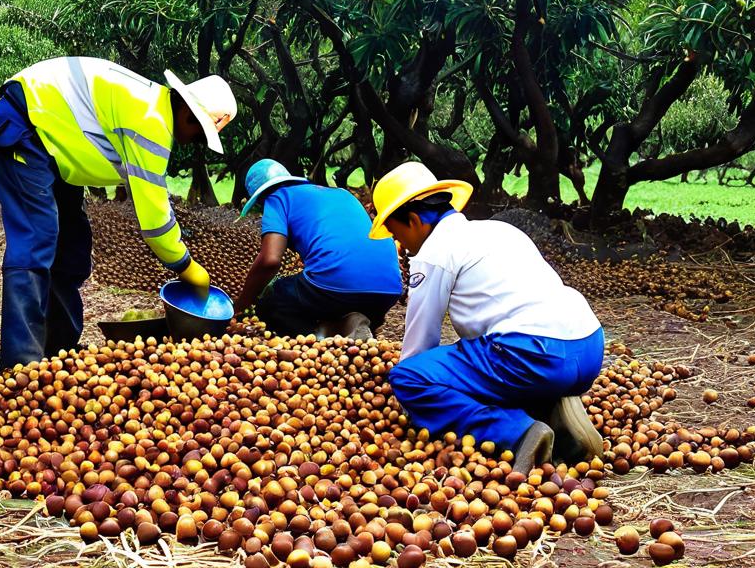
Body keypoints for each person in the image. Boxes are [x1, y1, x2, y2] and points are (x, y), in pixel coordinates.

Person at [0, 57, 237, 367]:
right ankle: (22, 365)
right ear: (189, 114)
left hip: (52, 144)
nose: (192, 142)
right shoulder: (151, 123)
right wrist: (187, 267)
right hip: (23, 126)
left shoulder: (150, 105)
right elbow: (155, 221)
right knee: (38, 237)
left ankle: (57, 352)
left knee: (72, 245)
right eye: (198, 134)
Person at [369, 161, 604, 473]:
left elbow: (418, 346)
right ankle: (555, 419)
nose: (401, 244)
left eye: (397, 233)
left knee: (409, 377)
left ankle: (518, 434)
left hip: (533, 355)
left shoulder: (433, 253)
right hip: (588, 347)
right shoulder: (500, 230)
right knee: (486, 363)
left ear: (413, 221)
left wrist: (402, 397)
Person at [234, 159, 403, 339]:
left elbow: (270, 260)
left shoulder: (277, 197)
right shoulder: (342, 194)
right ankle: (349, 323)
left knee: (273, 300)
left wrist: (243, 303)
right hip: (388, 289)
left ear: (260, 197)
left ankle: (320, 339)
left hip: (336, 286)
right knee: (318, 292)